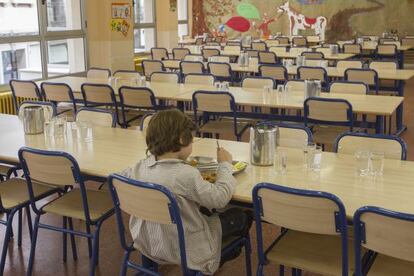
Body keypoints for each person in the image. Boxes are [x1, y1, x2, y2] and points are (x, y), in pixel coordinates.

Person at [120, 109, 252, 275]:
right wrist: (225, 164)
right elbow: (219, 198)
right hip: (182, 247)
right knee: (241, 215)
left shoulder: (138, 167)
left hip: (147, 241)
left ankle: (149, 268)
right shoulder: (185, 175)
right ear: (182, 139)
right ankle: (219, 256)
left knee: (202, 210)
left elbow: (118, 178)